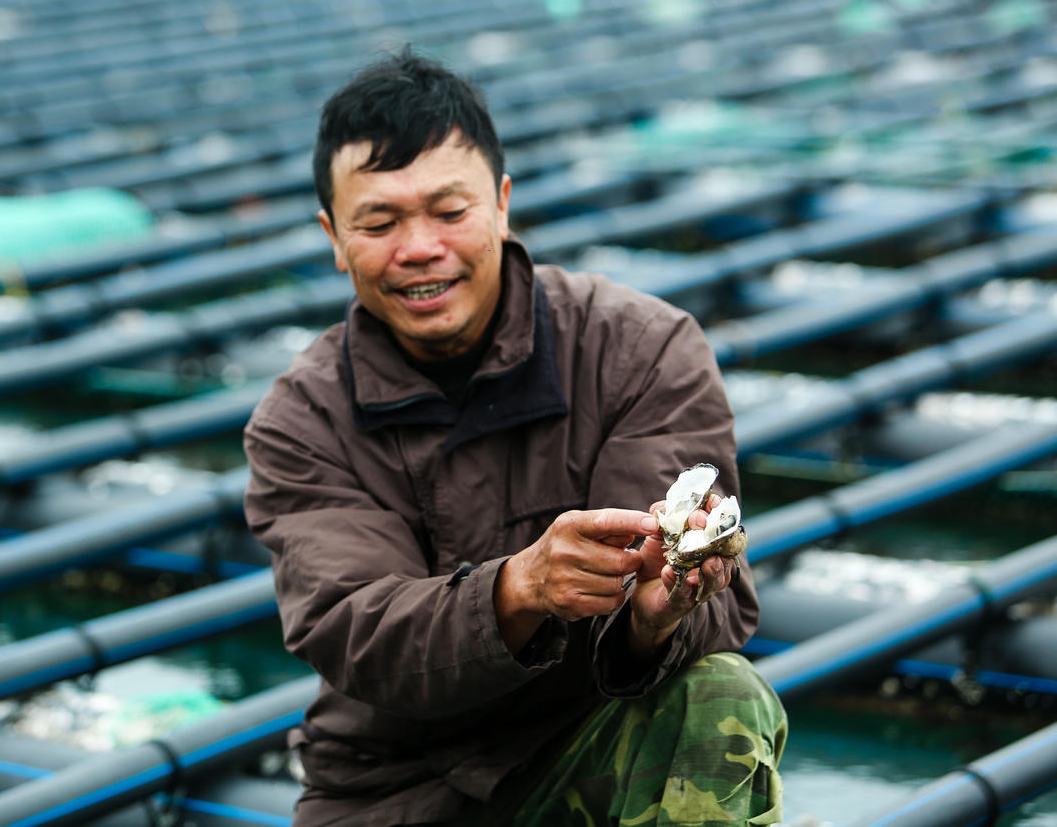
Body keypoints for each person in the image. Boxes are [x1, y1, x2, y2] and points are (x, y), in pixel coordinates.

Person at [243, 48, 786, 827]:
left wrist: (656, 616)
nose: (419, 247)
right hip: (397, 792)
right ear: (334, 236)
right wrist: (517, 588)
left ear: (501, 203)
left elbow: (705, 605)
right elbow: (355, 629)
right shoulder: (303, 418)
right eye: (379, 221)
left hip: (592, 746)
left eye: (449, 210)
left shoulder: (639, 347)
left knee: (723, 693)